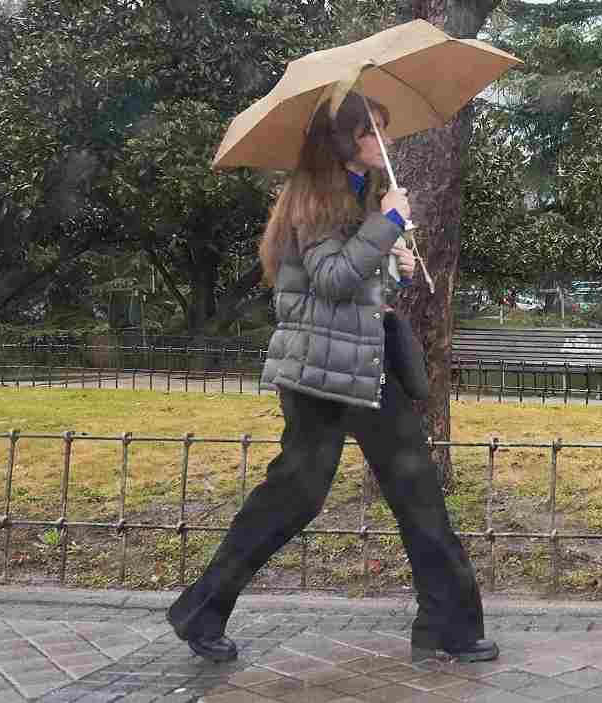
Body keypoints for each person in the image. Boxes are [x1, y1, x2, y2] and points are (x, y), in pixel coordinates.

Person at [166, 90, 496, 665]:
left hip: (362, 372)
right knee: (294, 499)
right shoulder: (316, 198)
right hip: (321, 379)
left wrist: (396, 267)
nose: (386, 142)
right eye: (376, 131)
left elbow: (357, 292)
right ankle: (201, 609)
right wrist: (389, 222)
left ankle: (449, 625)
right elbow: (335, 280)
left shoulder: (352, 194)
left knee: (417, 494)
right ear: (346, 139)